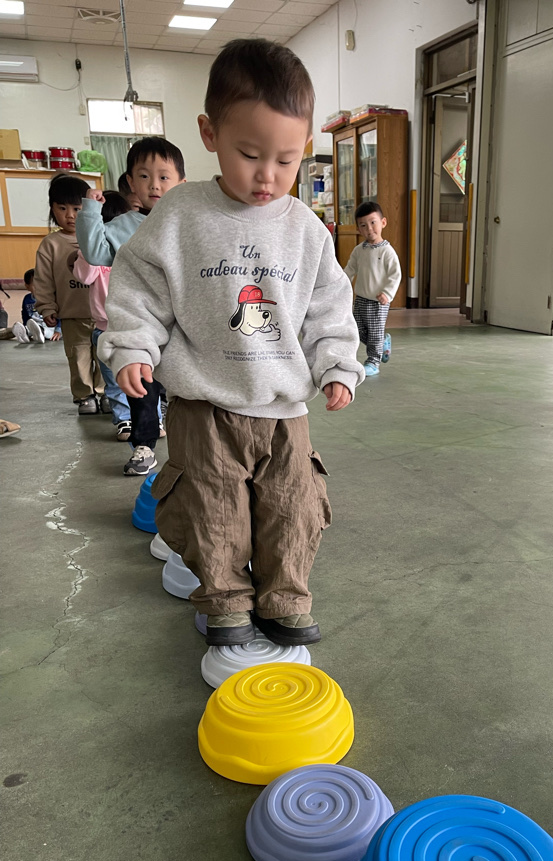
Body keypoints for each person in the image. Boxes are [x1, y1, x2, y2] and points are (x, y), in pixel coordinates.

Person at [99, 37, 364, 648]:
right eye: (250, 154)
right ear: (210, 133)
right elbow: (139, 287)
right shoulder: (181, 214)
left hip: (284, 408)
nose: (268, 176)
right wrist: (132, 348)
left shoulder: (307, 230)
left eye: (287, 160)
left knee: (293, 505)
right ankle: (225, 600)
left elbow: (329, 305)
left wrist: (337, 365)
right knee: (213, 507)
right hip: (204, 404)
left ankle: (285, 596)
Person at [77, 137, 186, 473]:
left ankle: (194, 453)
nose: (154, 185)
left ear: (181, 183)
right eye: (144, 176)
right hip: (142, 327)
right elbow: (95, 252)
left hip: (184, 327)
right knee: (142, 388)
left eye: (164, 177)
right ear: (130, 182)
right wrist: (90, 210)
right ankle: (144, 445)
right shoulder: (124, 227)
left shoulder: (190, 223)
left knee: (188, 393)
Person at [34, 174, 106, 414]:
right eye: (62, 208)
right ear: (52, 208)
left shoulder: (99, 237)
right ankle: (84, 395)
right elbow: (43, 280)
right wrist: (46, 307)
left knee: (105, 355)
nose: (70, 215)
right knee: (78, 357)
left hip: (104, 314)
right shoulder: (50, 244)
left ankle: (106, 393)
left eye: (77, 209)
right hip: (72, 314)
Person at [72, 191, 134, 441]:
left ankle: (152, 419)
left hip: (133, 326)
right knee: (114, 379)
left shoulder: (132, 248)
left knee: (144, 377)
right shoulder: (94, 254)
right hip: (105, 329)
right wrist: (89, 247)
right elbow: (84, 277)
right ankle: (124, 420)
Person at [344, 201, 401, 377]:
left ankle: (373, 362)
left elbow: (395, 274)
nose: (369, 229)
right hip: (360, 298)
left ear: (383, 222)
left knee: (374, 332)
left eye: (373, 222)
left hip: (378, 301)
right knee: (356, 330)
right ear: (358, 229)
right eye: (363, 225)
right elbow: (349, 270)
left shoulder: (387, 252)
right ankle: (382, 343)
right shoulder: (358, 251)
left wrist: (388, 294)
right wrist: (340, 285)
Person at [13, 268, 60, 345]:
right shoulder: (27, 299)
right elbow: (25, 313)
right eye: (35, 285)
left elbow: (60, 314)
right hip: (34, 324)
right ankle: (25, 333)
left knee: (48, 331)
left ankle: (40, 333)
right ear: (27, 286)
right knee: (29, 328)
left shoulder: (52, 298)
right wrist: (25, 324)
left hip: (50, 326)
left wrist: (58, 330)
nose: (40, 288)